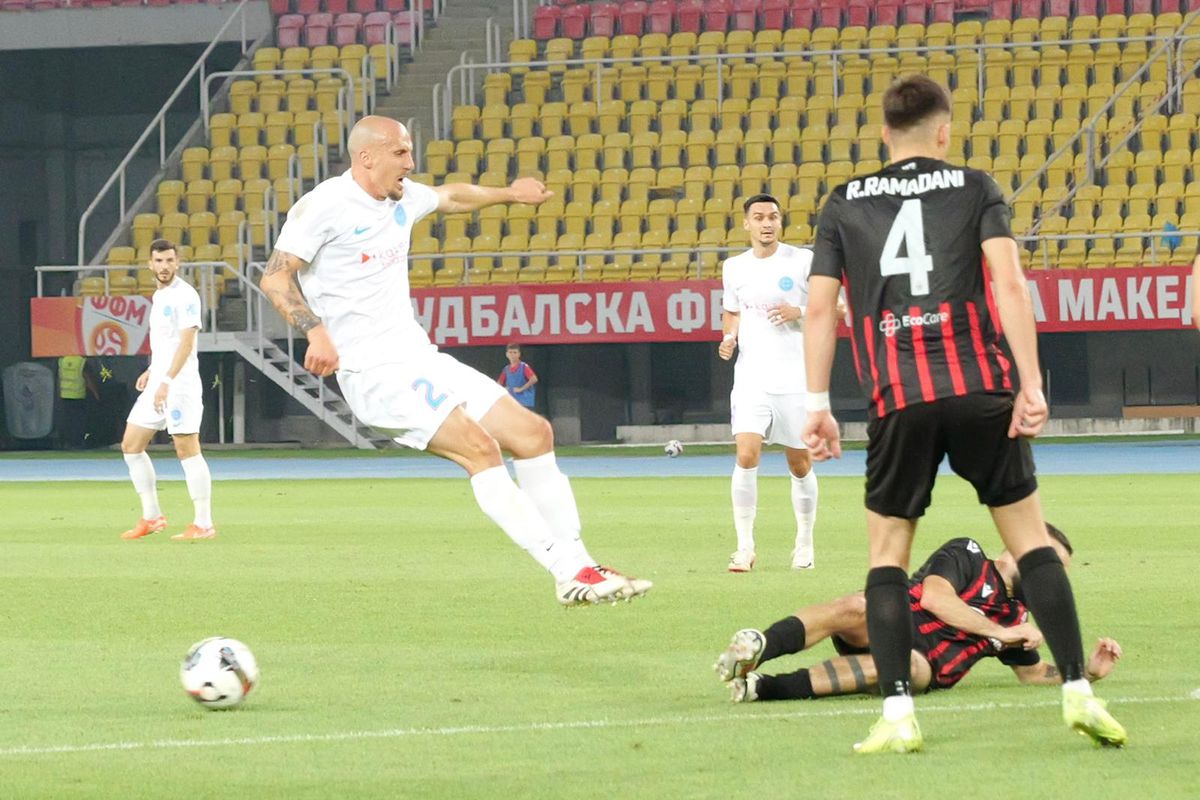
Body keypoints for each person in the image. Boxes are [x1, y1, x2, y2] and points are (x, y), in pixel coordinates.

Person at [801, 75, 1126, 753]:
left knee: (888, 558)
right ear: (943, 132)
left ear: (883, 134)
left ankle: (897, 714)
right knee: (1032, 542)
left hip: (900, 395)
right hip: (982, 388)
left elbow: (819, 309)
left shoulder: (842, 202)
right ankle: (1076, 690)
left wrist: (817, 404)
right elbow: (1009, 282)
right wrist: (1031, 381)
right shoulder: (976, 186)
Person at [259, 115, 650, 607]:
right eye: (400, 152)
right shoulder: (324, 206)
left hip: (418, 357)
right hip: (372, 372)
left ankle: (581, 564)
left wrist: (511, 194)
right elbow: (275, 278)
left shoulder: (400, 199)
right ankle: (567, 571)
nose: (410, 162)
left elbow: (452, 196)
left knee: (534, 434)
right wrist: (316, 332)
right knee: (480, 447)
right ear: (367, 157)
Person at [715, 525, 1121, 704]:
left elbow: (1032, 673)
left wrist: (1087, 671)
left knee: (901, 667)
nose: (1051, 576)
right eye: (1049, 561)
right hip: (897, 617)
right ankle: (758, 646)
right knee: (858, 604)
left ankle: (763, 688)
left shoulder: (1019, 616)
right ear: (1018, 547)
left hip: (930, 665)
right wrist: (1003, 631)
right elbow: (935, 599)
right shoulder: (969, 554)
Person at [718, 194, 820, 573]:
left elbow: (837, 308)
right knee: (746, 455)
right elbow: (732, 312)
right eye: (758, 217)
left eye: (773, 217)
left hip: (795, 378)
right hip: (751, 378)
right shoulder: (734, 268)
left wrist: (801, 311)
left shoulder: (804, 261)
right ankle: (744, 547)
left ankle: (804, 542)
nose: (766, 223)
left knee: (799, 462)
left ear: (781, 222)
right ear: (746, 223)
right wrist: (729, 337)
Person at [120, 239, 215, 541]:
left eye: (169, 260)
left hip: (180, 384)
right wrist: (152, 370)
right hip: (160, 380)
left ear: (178, 262)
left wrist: (168, 381)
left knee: (186, 448)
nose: (164, 266)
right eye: (159, 261)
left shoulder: (185, 295)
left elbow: (186, 344)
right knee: (131, 445)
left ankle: (203, 523)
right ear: (150, 264)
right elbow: (166, 342)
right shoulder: (159, 296)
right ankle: (152, 516)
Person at [57, 355, 98, 449]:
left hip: (65, 395)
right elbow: (88, 379)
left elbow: (59, 378)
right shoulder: (81, 361)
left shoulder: (62, 360)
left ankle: (66, 443)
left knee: (67, 420)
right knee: (78, 421)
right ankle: (77, 443)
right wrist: (95, 394)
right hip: (78, 395)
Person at [497, 343, 538, 409]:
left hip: (524, 401)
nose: (512, 355)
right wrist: (503, 389)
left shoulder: (524, 366)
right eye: (510, 352)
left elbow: (534, 379)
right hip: (512, 400)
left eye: (515, 352)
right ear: (507, 354)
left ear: (519, 354)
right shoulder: (506, 369)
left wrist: (521, 389)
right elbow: (499, 382)